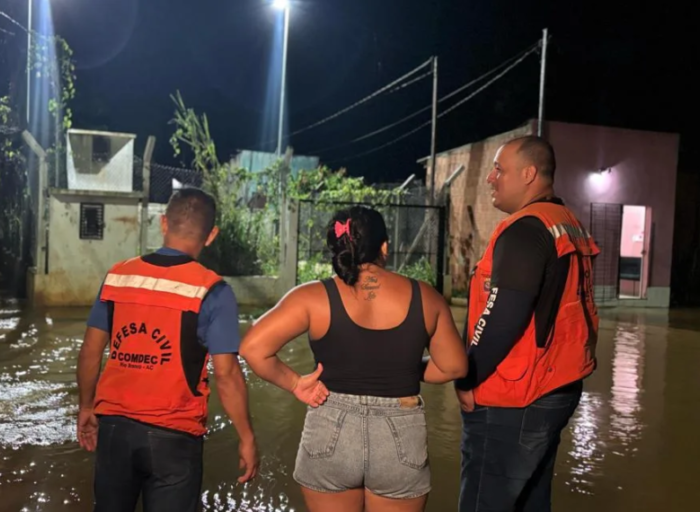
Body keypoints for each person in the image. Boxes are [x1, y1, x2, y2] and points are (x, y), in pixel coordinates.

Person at [240, 205, 468, 512]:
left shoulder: (311, 297)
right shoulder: (426, 297)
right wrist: (408, 370)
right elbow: (454, 366)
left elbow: (253, 348)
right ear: (384, 246)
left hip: (329, 426)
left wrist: (295, 383)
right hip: (400, 433)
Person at [76, 187, 259, 512]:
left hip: (115, 429)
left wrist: (86, 407)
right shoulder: (213, 291)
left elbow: (91, 349)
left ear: (163, 223)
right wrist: (246, 436)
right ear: (212, 234)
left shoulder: (119, 276)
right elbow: (227, 375)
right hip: (174, 436)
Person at [454, 136, 600, 512]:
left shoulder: (525, 230)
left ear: (529, 173)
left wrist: (466, 376)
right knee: (530, 500)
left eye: (499, 169)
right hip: (558, 385)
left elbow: (503, 315)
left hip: (516, 395)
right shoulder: (565, 222)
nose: (491, 178)